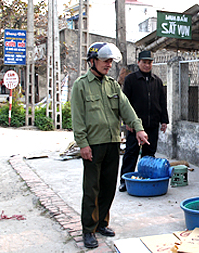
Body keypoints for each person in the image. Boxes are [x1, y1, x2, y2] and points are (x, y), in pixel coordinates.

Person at [70, 42, 149, 249]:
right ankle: (88, 229)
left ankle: (101, 223)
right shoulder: (81, 85)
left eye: (110, 61)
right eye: (105, 61)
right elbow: (77, 117)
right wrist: (82, 144)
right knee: (91, 189)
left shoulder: (112, 85)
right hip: (93, 145)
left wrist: (138, 128)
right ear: (92, 61)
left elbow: (126, 108)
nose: (108, 65)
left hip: (113, 142)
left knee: (108, 187)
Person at [118, 50, 169, 192]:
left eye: (149, 62)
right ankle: (124, 180)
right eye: (144, 62)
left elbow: (162, 102)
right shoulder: (130, 80)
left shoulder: (157, 81)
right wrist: (127, 121)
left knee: (149, 154)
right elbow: (124, 102)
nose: (147, 65)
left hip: (152, 124)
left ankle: (146, 178)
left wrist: (164, 120)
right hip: (134, 126)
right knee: (131, 153)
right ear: (138, 62)